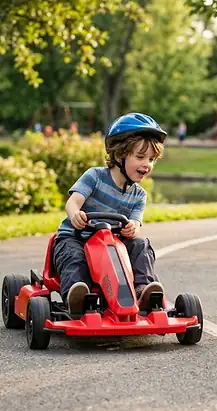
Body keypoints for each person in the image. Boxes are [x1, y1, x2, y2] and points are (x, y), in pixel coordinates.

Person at [52, 112, 167, 314]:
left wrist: (133, 227)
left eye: (151, 159)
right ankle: (77, 294)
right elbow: (72, 202)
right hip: (77, 238)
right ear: (120, 155)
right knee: (74, 256)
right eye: (140, 157)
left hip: (112, 246)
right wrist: (76, 214)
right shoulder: (94, 177)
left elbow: (136, 223)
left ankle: (142, 291)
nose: (147, 164)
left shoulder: (139, 195)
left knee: (141, 245)